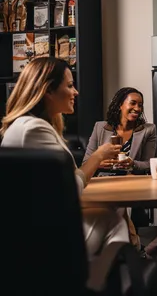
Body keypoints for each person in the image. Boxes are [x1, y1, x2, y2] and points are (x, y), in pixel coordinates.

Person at [0, 57, 130, 260]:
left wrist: (96, 159)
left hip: (29, 229)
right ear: (48, 90)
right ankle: (96, 284)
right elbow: (67, 191)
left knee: (115, 212)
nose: (76, 92)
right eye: (69, 85)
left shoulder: (25, 125)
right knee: (114, 221)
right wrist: (98, 156)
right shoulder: (34, 129)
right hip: (42, 237)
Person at [83, 87, 157, 250]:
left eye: (140, 105)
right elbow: (86, 161)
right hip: (102, 179)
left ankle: (124, 247)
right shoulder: (100, 128)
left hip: (130, 178)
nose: (137, 108)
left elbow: (149, 163)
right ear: (119, 105)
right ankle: (132, 245)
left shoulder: (148, 130)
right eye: (133, 103)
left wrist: (132, 163)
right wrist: (101, 162)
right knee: (112, 201)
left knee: (118, 199)